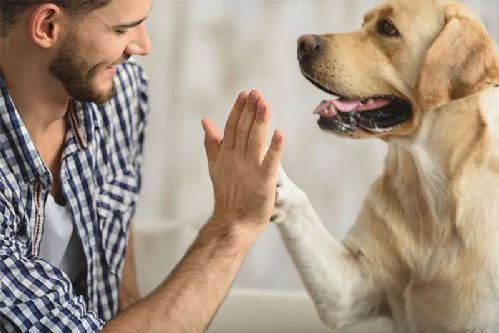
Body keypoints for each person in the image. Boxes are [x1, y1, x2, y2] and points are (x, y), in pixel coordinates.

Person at [0, 0, 284, 331]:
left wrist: (130, 308)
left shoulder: (120, 92)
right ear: (47, 26)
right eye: (120, 29)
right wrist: (235, 226)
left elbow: (116, 240)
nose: (143, 46)